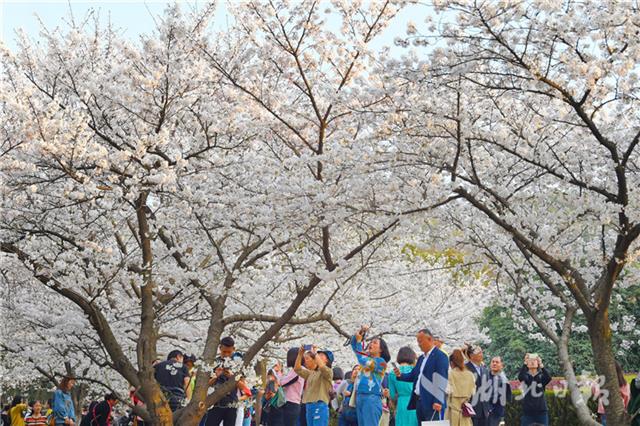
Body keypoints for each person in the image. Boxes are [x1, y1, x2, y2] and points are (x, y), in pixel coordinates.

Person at [394, 328, 448, 423]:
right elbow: (413, 375)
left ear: (430, 340)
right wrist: (400, 375)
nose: (419, 344)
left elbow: (441, 378)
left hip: (432, 401)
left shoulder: (440, 356)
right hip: (419, 400)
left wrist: (438, 400)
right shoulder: (421, 359)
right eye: (418, 342)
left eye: (421, 341)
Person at [350, 325, 390, 426]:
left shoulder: (381, 362)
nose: (371, 344)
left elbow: (363, 359)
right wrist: (361, 332)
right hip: (360, 397)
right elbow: (354, 345)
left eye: (375, 343)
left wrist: (359, 342)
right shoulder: (366, 357)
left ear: (381, 349)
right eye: (371, 342)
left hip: (371, 398)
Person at [206, 336, 244, 426]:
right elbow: (205, 385)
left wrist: (232, 377)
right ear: (220, 348)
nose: (226, 354)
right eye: (224, 352)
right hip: (215, 403)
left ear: (234, 349)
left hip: (231, 404)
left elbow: (244, 387)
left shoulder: (238, 364)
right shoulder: (214, 363)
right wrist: (216, 376)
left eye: (229, 352)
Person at [294, 345, 333, 426]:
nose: (318, 356)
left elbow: (322, 367)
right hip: (309, 406)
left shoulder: (328, 372)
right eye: (318, 355)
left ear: (327, 360)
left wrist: (315, 353)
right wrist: (300, 354)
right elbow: (297, 369)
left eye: (321, 356)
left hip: (320, 405)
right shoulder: (311, 373)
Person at [517, 353, 551, 426]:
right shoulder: (526, 377)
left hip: (541, 412)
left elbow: (548, 378)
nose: (532, 362)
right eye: (530, 360)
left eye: (534, 360)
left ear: (537, 363)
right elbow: (520, 377)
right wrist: (525, 362)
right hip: (528, 413)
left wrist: (541, 364)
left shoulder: (541, 377)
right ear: (527, 364)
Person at [388, 346, 418, 426]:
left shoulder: (392, 373)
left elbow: (392, 395)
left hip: (401, 404)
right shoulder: (416, 371)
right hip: (415, 403)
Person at [445, 349, 476, 426]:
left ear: (451, 363)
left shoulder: (450, 374)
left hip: (452, 412)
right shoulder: (470, 375)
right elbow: (473, 392)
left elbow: (447, 391)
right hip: (465, 412)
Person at [275, 348, 305, 426]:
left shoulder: (297, 370)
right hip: (293, 403)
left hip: (291, 403)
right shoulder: (299, 370)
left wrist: (279, 372)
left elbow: (281, 382)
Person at [595, 361, 630, 425]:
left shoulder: (602, 382)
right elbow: (627, 398)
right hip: (619, 412)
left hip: (605, 412)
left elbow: (596, 394)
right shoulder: (624, 384)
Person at [463, 344, 490, 426]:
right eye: (479, 352)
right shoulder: (465, 368)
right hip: (471, 408)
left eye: (482, 352)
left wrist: (488, 408)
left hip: (484, 410)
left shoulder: (485, 369)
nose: (481, 354)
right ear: (471, 355)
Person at [486, 357, 511, 426]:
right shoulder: (485, 376)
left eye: (497, 362)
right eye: (493, 362)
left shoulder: (504, 380)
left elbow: (507, 397)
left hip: (496, 413)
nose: (494, 364)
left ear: (502, 365)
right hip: (483, 413)